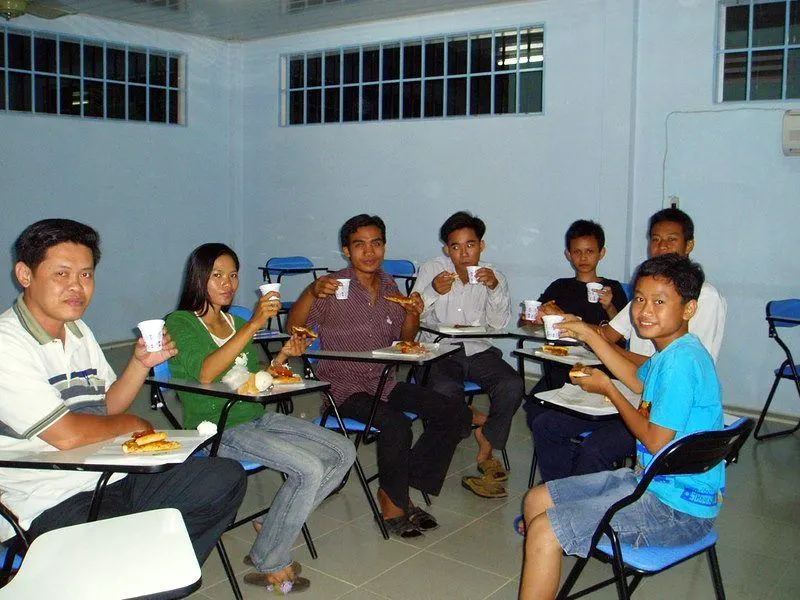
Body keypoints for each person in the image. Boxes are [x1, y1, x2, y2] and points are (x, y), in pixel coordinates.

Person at [0, 219, 246, 564]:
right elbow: (67, 435)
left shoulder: (78, 330)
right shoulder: (7, 344)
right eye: (62, 274)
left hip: (112, 472)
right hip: (50, 499)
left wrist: (140, 363)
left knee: (223, 477)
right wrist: (134, 425)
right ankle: (147, 570)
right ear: (25, 274)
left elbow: (108, 407)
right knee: (131, 542)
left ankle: (157, 571)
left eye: (86, 274)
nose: (77, 286)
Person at [520, 254, 724, 600]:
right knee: (537, 499)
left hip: (678, 510)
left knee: (544, 528)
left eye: (660, 302)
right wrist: (589, 333)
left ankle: (550, 548)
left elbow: (655, 440)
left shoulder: (681, 363)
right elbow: (637, 379)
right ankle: (547, 570)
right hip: (650, 485)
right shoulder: (672, 353)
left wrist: (609, 391)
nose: (645, 311)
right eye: (640, 299)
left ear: (689, 309)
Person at [166, 243, 356, 593]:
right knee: (309, 468)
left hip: (255, 416)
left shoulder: (234, 322)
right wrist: (255, 323)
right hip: (218, 428)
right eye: (217, 275)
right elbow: (207, 373)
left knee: (344, 451)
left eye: (233, 275)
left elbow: (254, 378)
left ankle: (272, 525)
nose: (227, 283)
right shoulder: (180, 323)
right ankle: (271, 559)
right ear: (198, 278)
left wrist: (282, 356)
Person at [286, 214, 471, 538]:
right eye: (360, 245)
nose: (369, 252)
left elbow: (405, 339)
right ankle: (393, 502)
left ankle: (400, 485)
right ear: (346, 251)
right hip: (343, 389)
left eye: (376, 243)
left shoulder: (389, 286)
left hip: (383, 381)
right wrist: (311, 292)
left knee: (453, 411)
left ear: (384, 246)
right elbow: (293, 328)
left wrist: (412, 314)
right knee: (396, 424)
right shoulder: (332, 286)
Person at [528, 208, 727, 482]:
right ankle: (563, 494)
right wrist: (581, 328)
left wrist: (607, 383)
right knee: (546, 424)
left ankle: (573, 500)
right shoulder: (649, 293)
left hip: (661, 416)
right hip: (638, 390)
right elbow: (614, 344)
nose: (645, 311)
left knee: (594, 449)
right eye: (655, 239)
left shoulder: (699, 311)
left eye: (671, 239)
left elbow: (663, 390)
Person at [413, 211, 524, 499]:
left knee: (512, 384)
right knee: (445, 390)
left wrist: (494, 289)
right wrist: (432, 291)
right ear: (446, 250)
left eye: (470, 245)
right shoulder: (432, 269)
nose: (463, 254)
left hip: (477, 348)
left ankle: (486, 442)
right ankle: (473, 418)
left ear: (481, 245)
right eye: (455, 247)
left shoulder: (494, 275)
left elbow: (498, 325)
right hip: (439, 349)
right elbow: (413, 316)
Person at [522, 219, 627, 403]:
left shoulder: (612, 288)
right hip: (561, 362)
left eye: (589, 251)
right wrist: (532, 319)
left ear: (601, 253)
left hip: (600, 363)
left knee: (553, 407)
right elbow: (528, 324)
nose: (583, 258)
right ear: (568, 254)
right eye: (577, 252)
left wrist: (609, 307)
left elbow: (623, 337)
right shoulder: (559, 286)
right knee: (536, 405)